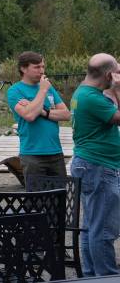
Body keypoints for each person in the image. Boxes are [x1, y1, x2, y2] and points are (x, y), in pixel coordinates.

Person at [70, 52, 120, 277]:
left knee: (91, 225)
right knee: (103, 229)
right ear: (109, 75)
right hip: (98, 165)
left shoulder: (83, 92)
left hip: (89, 163)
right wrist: (118, 89)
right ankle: (107, 276)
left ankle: (91, 275)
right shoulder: (93, 98)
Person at [7, 51, 70, 179]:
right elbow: (30, 116)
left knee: (59, 196)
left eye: (43, 66)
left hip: (55, 152)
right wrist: (42, 90)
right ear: (23, 68)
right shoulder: (15, 91)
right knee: (37, 198)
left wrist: (42, 111)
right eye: (36, 67)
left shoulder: (49, 88)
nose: (41, 71)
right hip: (32, 155)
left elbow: (66, 114)